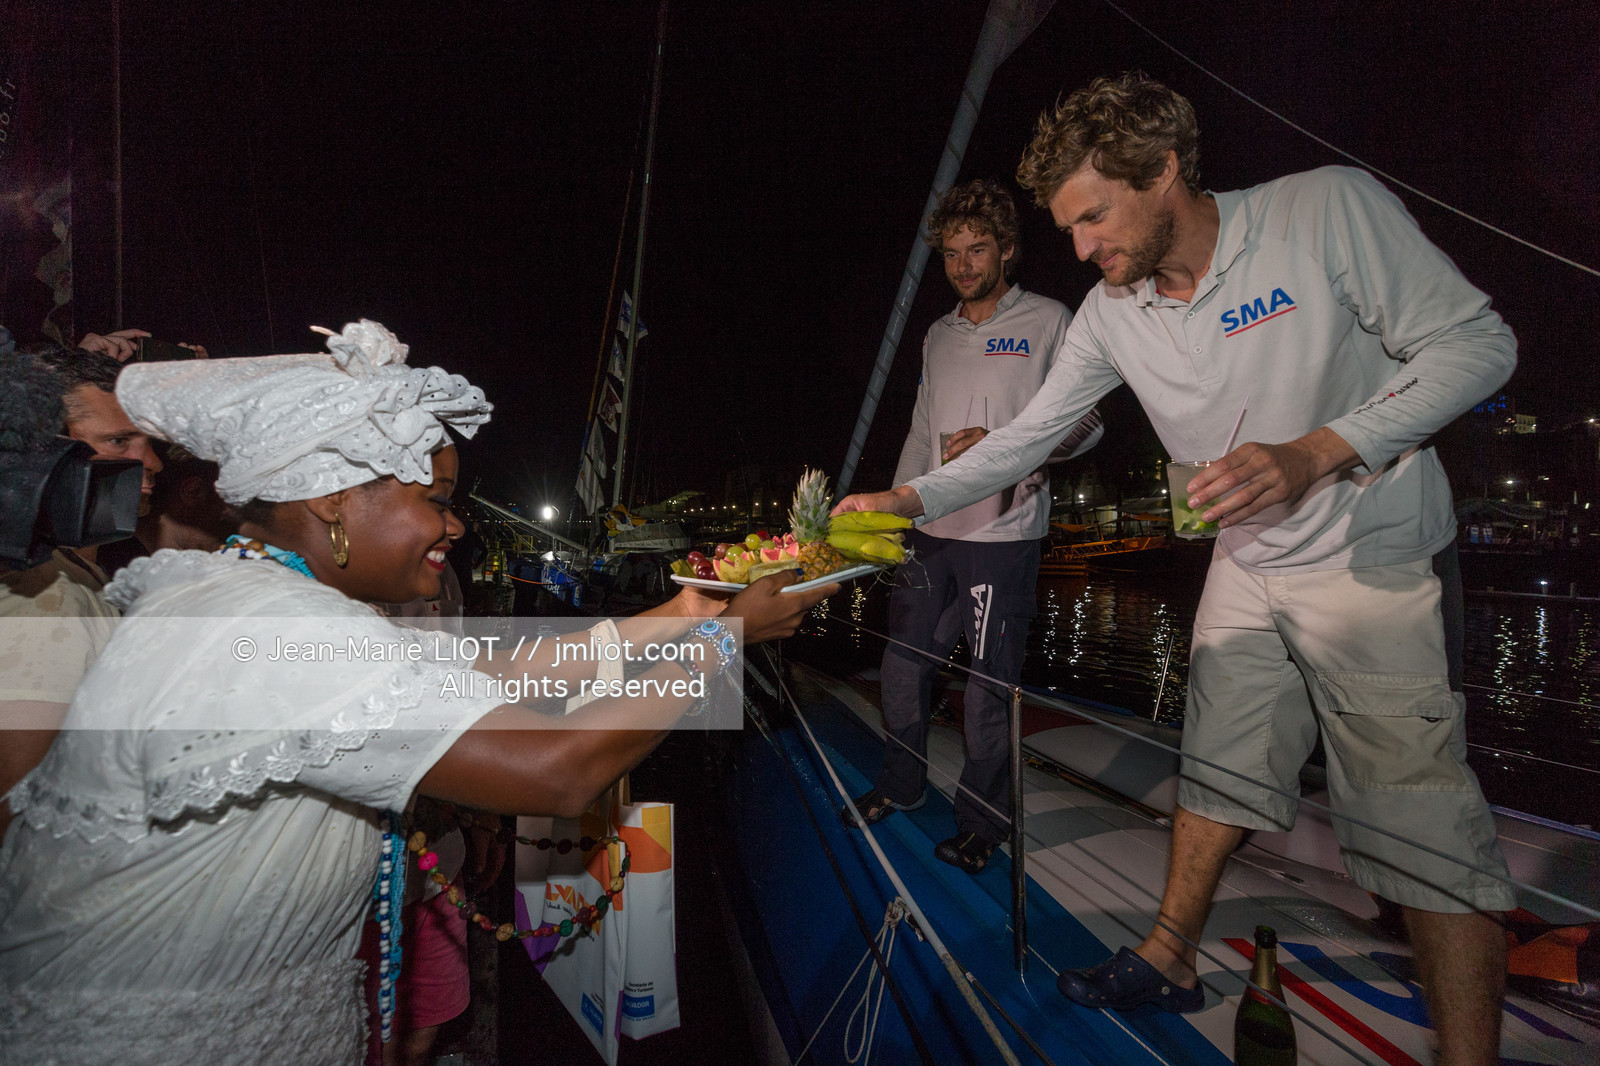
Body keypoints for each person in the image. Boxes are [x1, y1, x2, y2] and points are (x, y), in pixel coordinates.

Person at [835, 74, 1516, 1066]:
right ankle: (1168, 954)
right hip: (1244, 562)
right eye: (1065, 227)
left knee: (1418, 824)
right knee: (1215, 762)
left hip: (1368, 552)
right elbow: (1029, 435)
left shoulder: (1321, 209)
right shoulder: (1112, 312)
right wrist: (906, 499)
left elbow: (1478, 343)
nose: (1079, 249)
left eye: (1093, 216)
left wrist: (1314, 450)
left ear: (1162, 173)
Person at [0, 319, 835, 1064]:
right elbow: (556, 770)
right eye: (435, 501)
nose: (457, 526)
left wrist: (682, 613)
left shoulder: (248, 594)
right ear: (332, 499)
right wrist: (725, 645)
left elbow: (483, 672)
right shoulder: (271, 626)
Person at [839, 178, 1103, 873]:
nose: (962, 265)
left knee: (987, 689)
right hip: (933, 532)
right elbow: (924, 433)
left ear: (1007, 250)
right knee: (902, 669)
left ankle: (984, 823)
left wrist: (1008, 440)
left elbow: (1089, 423)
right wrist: (896, 511)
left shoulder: (1050, 320)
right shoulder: (936, 334)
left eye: (976, 249)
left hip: (1004, 538)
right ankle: (900, 785)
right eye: (951, 253)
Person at [0, 346, 145, 831]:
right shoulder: (44, 601)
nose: (151, 465)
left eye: (150, 443)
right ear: (45, 454)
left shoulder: (67, 573)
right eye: (120, 441)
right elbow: (20, 814)